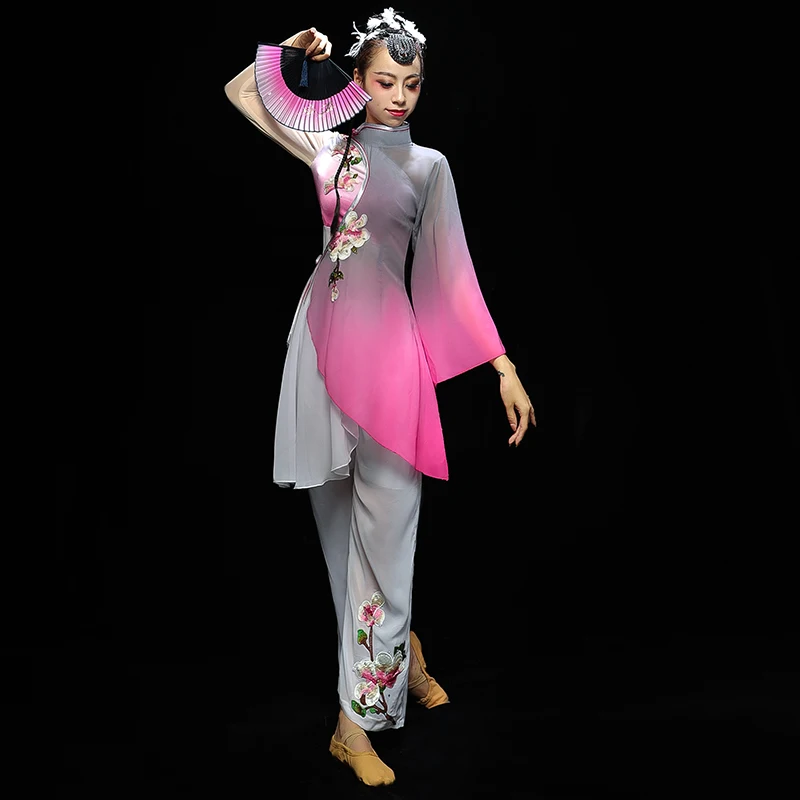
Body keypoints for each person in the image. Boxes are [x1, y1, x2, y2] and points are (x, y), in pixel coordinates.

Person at [224, 8, 536, 786]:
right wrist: (290, 53)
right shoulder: (329, 147)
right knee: (340, 541)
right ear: (357, 83)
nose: (399, 96)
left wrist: (502, 365)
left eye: (412, 84)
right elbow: (241, 93)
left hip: (391, 355)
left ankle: (353, 724)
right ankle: (401, 663)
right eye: (385, 81)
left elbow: (454, 271)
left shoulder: (430, 166)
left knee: (389, 541)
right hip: (320, 346)